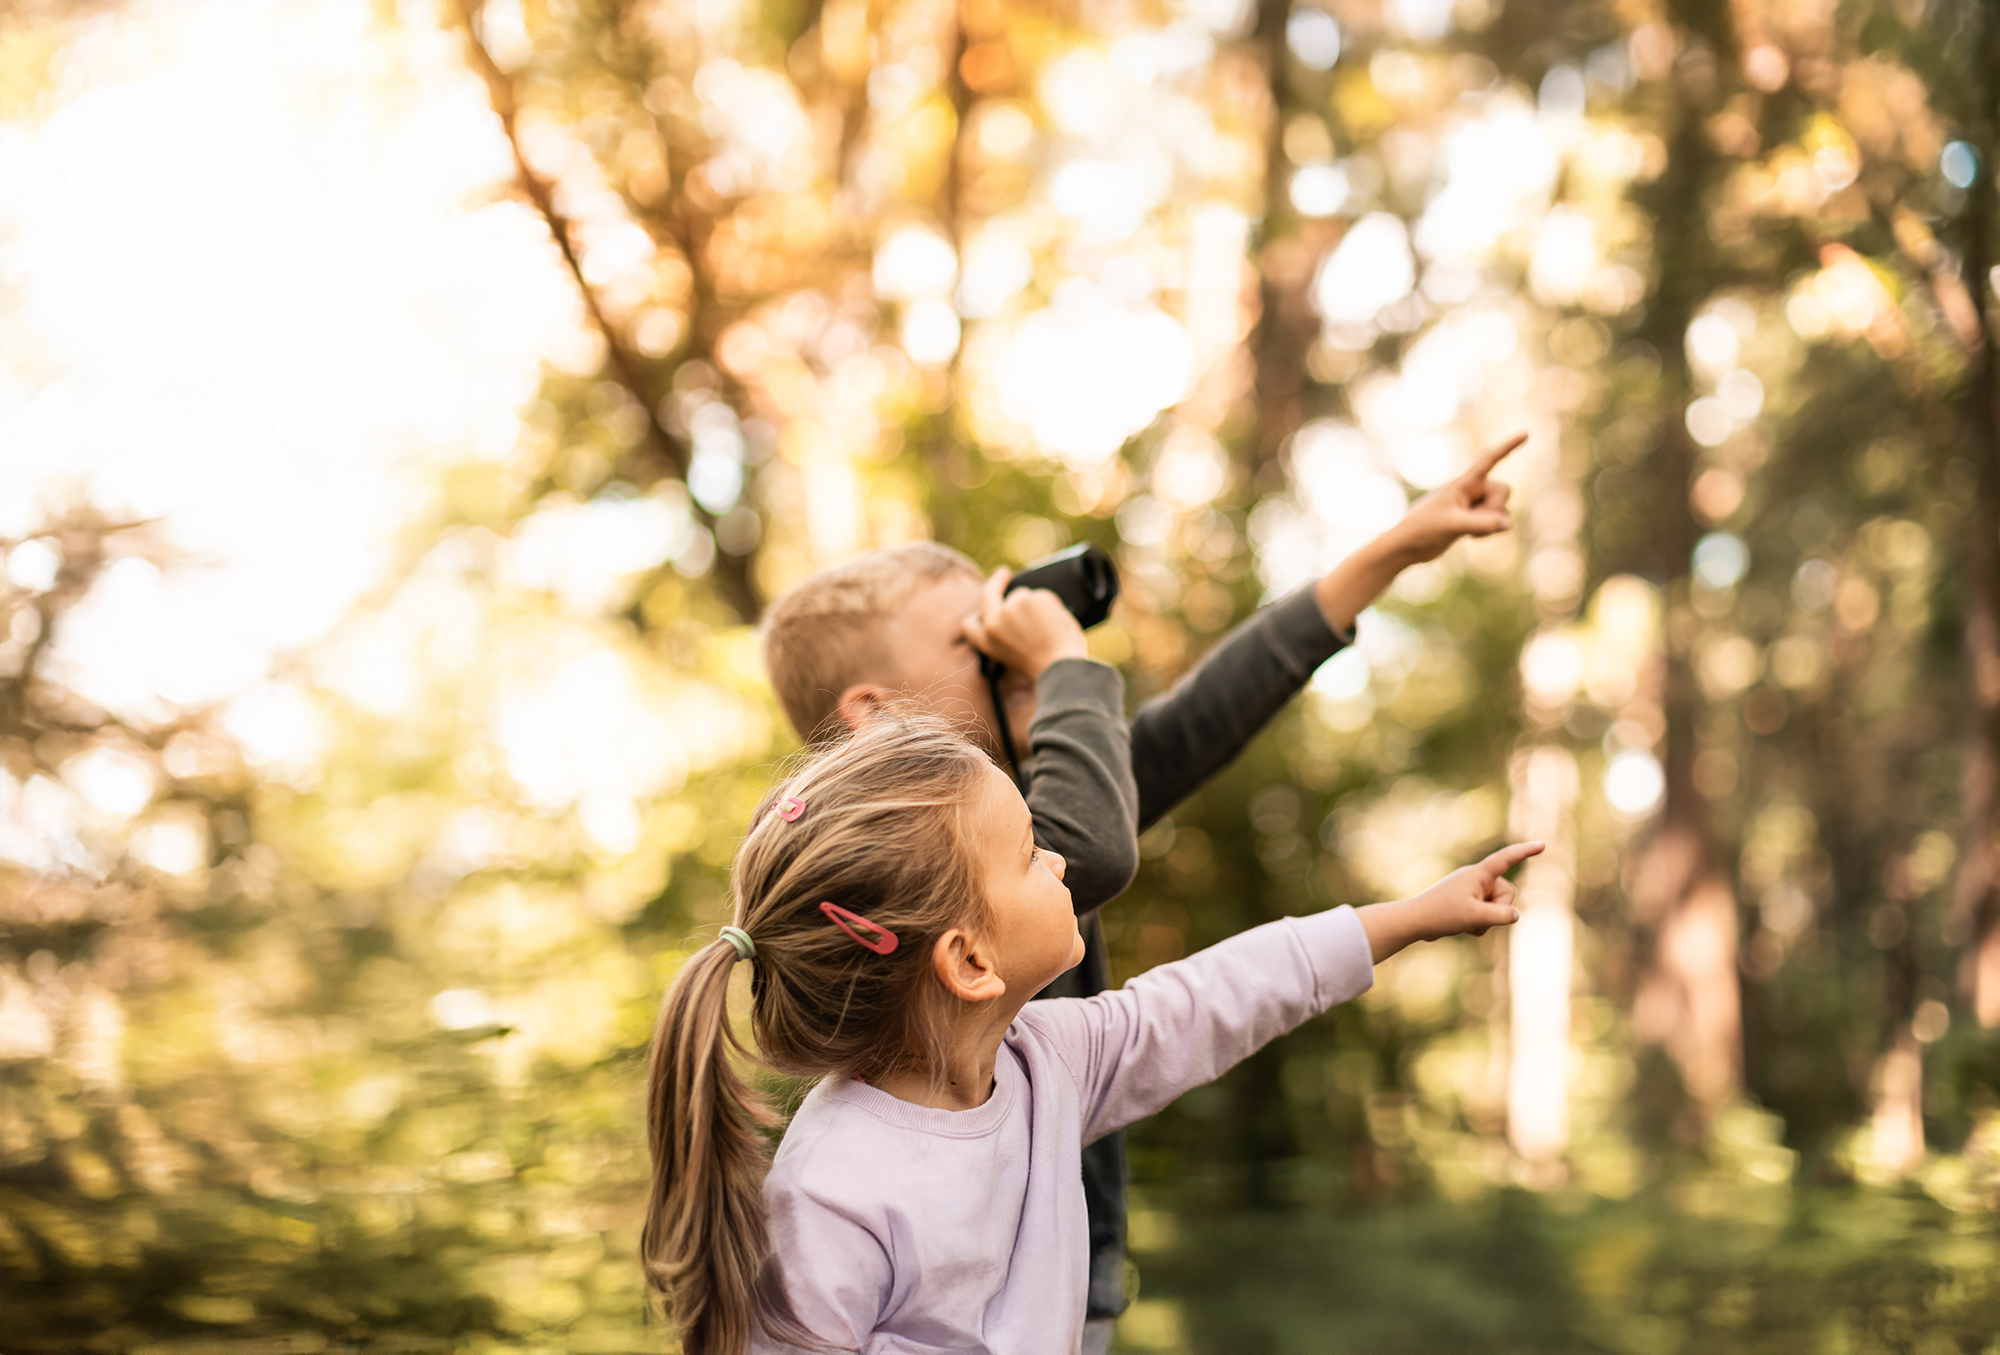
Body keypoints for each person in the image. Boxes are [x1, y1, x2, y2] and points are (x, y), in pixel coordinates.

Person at [757, 434, 1524, 1344]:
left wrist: (1392, 547)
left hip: (1064, 1286)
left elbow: (1208, 715)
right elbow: (1096, 848)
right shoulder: (940, 875)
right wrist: (1067, 669)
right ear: (881, 715)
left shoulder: (1034, 826)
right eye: (978, 643)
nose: (1011, 650)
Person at [641, 713, 1539, 1354]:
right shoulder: (830, 1193)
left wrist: (1410, 916)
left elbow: (1210, 998)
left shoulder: (1043, 1061)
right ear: (969, 961)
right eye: (1031, 851)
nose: (1062, 860)